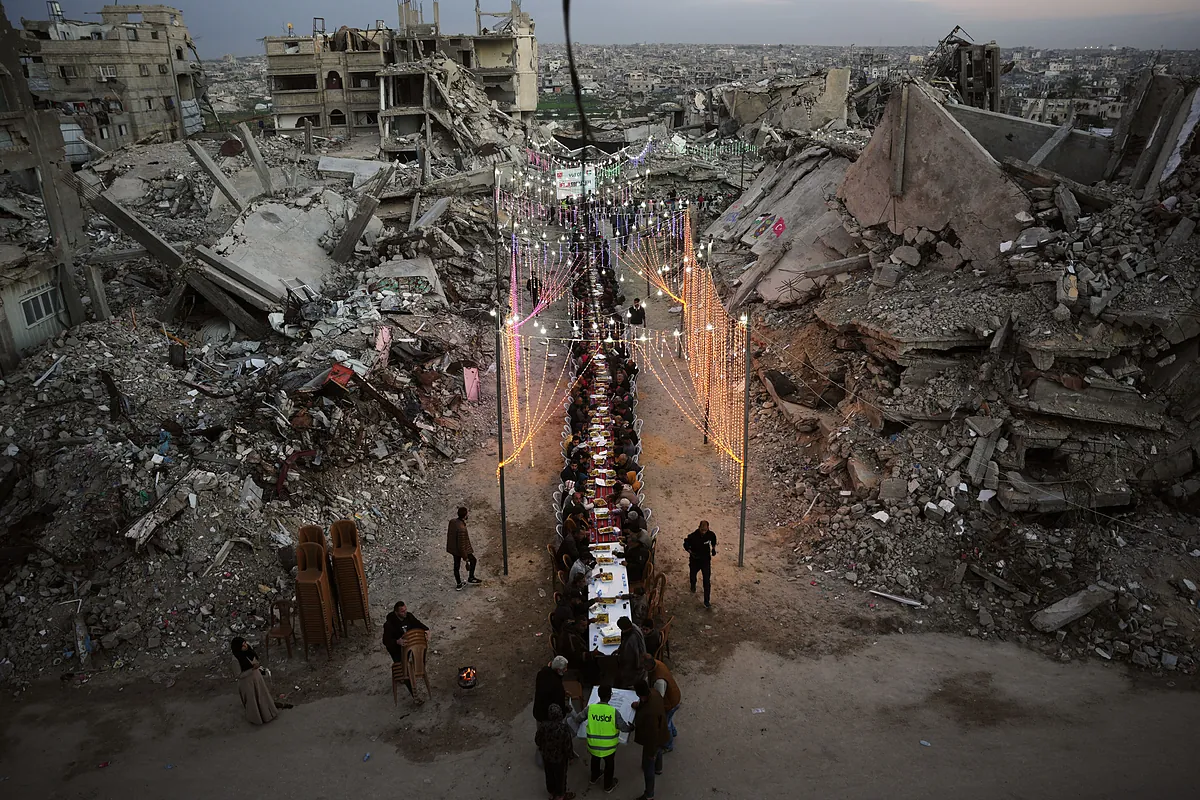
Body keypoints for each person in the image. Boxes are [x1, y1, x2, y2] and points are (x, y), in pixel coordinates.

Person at [585, 685, 632, 794]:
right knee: (609, 764)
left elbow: (578, 718)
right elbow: (623, 727)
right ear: (610, 696)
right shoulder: (613, 712)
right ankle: (608, 785)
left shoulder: (590, 708)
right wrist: (631, 728)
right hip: (609, 748)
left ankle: (594, 777)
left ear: (598, 695)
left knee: (595, 759)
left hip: (593, 745)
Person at [382, 601, 428, 704]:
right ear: (396, 612)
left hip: (408, 646)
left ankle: (419, 669)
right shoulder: (389, 624)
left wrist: (426, 630)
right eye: (402, 612)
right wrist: (396, 641)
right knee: (404, 670)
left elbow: (417, 624)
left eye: (405, 610)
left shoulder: (409, 617)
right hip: (396, 650)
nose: (405, 613)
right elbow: (386, 641)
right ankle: (415, 696)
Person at [631, 678, 669, 799]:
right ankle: (659, 768)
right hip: (663, 733)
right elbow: (645, 703)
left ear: (639, 694)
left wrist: (651, 753)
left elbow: (652, 736)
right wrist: (638, 705)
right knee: (659, 751)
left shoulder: (649, 714)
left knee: (648, 767)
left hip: (652, 742)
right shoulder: (654, 693)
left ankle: (649, 795)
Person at [230, 637, 279, 725]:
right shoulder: (235, 659)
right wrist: (252, 669)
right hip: (247, 682)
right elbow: (238, 675)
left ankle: (268, 714)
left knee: (262, 696)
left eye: (245, 643)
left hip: (257, 677)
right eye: (243, 645)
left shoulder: (248, 650)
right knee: (253, 701)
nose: (245, 646)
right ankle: (256, 718)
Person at [536, 704, 578, 800]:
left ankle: (552, 793)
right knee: (561, 778)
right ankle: (560, 795)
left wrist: (543, 748)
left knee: (549, 775)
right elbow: (568, 745)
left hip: (547, 757)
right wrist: (571, 756)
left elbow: (537, 740)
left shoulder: (543, 726)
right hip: (560, 759)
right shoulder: (563, 729)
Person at [643, 654, 681, 752]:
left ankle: (668, 745)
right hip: (674, 697)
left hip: (669, 704)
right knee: (669, 719)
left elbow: (658, 698)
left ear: (647, 666)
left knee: (665, 726)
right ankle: (674, 732)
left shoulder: (659, 681)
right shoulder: (657, 664)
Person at [684, 520, 718, 608]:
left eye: (705, 530)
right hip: (695, 560)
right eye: (702, 530)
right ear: (699, 528)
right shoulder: (693, 536)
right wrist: (691, 552)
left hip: (705, 561)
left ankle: (707, 601)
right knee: (693, 575)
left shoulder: (710, 534)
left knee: (706, 580)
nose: (703, 532)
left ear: (708, 528)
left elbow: (713, 540)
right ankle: (693, 585)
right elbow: (685, 544)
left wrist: (713, 549)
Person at [446, 506, 480, 590]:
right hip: (460, 550)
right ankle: (471, 577)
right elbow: (461, 546)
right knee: (473, 560)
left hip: (453, 548)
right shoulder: (462, 529)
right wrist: (465, 557)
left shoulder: (452, 521)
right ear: (465, 516)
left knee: (456, 566)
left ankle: (459, 584)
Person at [534, 656, 570, 723]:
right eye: (564, 669)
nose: (566, 670)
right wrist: (564, 712)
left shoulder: (541, 673)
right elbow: (560, 704)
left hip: (538, 712)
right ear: (558, 670)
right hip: (548, 718)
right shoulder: (557, 685)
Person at [616, 616, 647, 687]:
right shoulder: (633, 626)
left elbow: (630, 657)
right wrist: (620, 649)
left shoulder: (632, 639)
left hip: (634, 664)